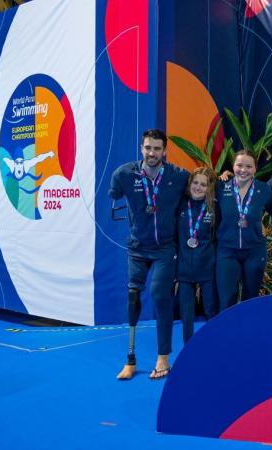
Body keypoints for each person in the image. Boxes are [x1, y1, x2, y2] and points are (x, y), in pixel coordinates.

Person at [109, 129, 188, 380]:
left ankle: (163, 357)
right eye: (147, 148)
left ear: (164, 150)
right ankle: (130, 359)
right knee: (133, 297)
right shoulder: (123, 174)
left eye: (156, 148)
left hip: (165, 247)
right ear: (141, 148)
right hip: (137, 247)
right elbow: (114, 195)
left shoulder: (178, 176)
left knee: (159, 294)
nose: (151, 153)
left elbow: (202, 186)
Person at [215, 150, 272, 311]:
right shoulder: (220, 187)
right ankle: (227, 335)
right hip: (227, 251)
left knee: (251, 300)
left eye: (249, 166)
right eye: (239, 165)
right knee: (227, 300)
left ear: (255, 169)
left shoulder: (264, 190)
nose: (243, 170)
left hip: (254, 250)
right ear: (233, 166)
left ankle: (248, 334)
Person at [176, 167, 217, 345]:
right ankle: (188, 350)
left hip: (207, 268)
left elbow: (218, 237)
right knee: (187, 314)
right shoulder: (180, 205)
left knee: (211, 310)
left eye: (203, 184)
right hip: (184, 270)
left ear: (209, 188)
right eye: (195, 183)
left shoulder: (214, 208)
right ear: (189, 183)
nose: (198, 187)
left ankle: (214, 346)